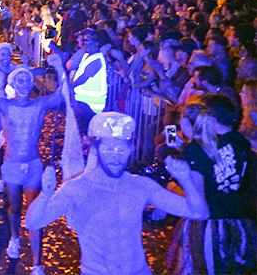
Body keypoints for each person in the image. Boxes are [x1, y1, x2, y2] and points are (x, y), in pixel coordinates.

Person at [25, 111, 210, 275]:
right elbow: (33, 222)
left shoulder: (141, 185)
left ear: (130, 149)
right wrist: (45, 195)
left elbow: (199, 213)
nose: (115, 156)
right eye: (108, 149)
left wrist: (186, 180)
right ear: (95, 149)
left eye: (121, 149)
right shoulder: (77, 188)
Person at [0, 55, 66, 273]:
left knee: (35, 211)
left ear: (31, 83)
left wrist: (60, 67)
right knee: (15, 208)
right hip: (12, 166)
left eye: (27, 80)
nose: (24, 84)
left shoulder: (40, 104)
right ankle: (14, 237)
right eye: (20, 80)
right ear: (13, 85)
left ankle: (37, 263)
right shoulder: (4, 105)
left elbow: (63, 94)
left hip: (33, 165)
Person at [167, 94, 256, 274]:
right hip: (241, 222)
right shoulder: (240, 142)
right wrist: (185, 146)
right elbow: (215, 160)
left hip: (209, 227)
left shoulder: (195, 150)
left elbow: (198, 200)